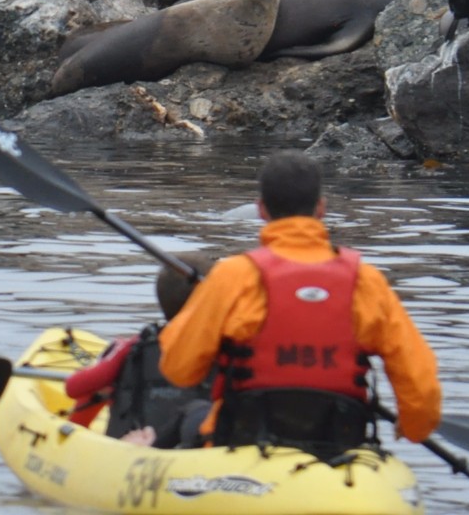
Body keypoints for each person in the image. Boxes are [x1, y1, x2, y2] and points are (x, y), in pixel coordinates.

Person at [158, 152, 439, 457]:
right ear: (321, 207)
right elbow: (420, 385)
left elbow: (178, 370)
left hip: (244, 440)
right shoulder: (367, 282)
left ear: (261, 210)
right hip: (338, 443)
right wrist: (413, 429)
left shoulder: (233, 276)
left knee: (190, 416)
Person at [62, 252, 216, 448]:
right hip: (201, 450)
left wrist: (112, 372)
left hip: (136, 449)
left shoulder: (131, 349)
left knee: (104, 386)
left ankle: (71, 442)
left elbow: (73, 387)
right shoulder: (232, 349)